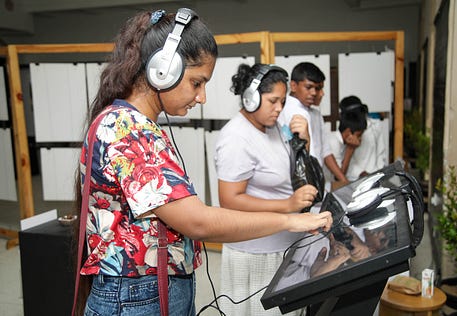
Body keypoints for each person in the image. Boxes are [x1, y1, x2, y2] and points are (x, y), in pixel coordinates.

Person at [72, 8, 333, 316]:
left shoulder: (132, 123)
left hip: (147, 289)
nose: (202, 97)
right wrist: (292, 219)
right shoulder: (127, 129)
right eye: (197, 83)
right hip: (137, 295)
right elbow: (198, 221)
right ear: (162, 70)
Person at [214, 63, 319, 316]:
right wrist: (288, 206)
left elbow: (297, 167)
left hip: (284, 244)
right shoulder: (236, 138)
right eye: (273, 101)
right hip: (256, 253)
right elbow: (229, 200)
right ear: (251, 98)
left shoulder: (275, 125)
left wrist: (304, 142)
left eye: (283, 101)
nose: (279, 108)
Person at [277, 62, 348, 193]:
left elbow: (325, 151)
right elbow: (302, 156)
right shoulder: (288, 110)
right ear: (293, 86)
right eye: (308, 87)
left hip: (315, 180)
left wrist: (344, 181)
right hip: (297, 183)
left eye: (317, 88)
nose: (314, 93)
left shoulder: (315, 114)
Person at [339, 95, 388, 179]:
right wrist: (361, 173)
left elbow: (381, 154)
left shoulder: (375, 126)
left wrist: (378, 175)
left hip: (375, 176)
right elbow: (344, 161)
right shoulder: (344, 131)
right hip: (354, 179)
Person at [325, 107, 367, 187]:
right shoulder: (333, 142)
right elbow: (338, 177)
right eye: (358, 135)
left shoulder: (344, 143)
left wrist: (363, 173)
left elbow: (350, 167)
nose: (360, 139)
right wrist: (350, 150)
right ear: (348, 132)